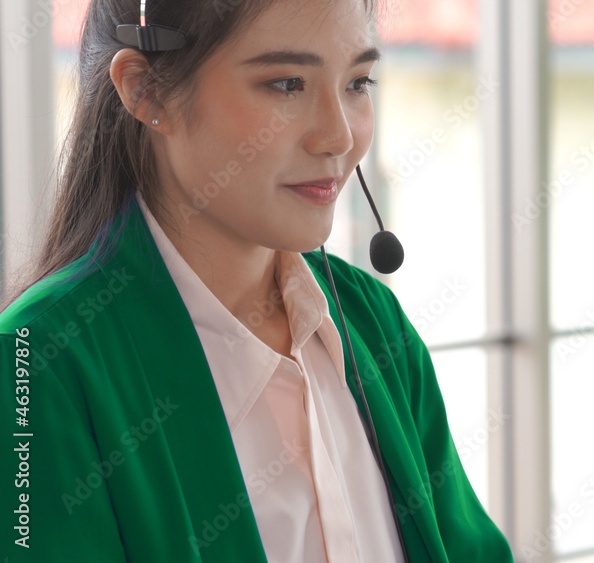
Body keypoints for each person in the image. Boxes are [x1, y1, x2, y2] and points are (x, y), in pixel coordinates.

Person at [0, 0, 513, 561]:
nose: (339, 137)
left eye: (358, 82)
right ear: (146, 91)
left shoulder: (370, 321)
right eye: (287, 84)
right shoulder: (35, 365)